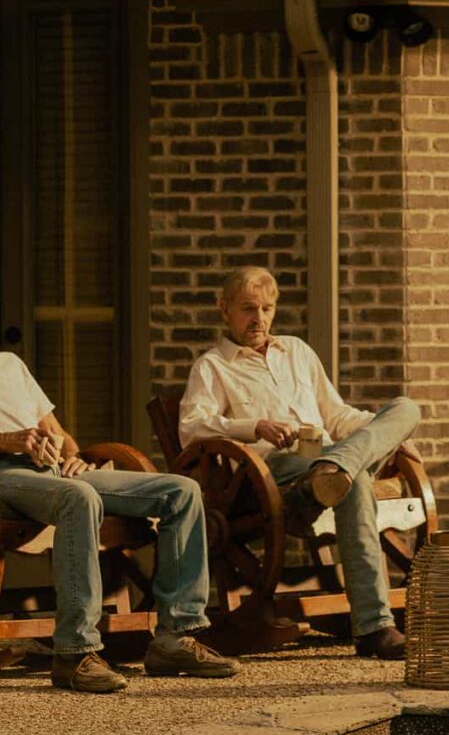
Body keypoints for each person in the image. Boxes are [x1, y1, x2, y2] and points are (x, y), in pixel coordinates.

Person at [0, 262, 235, 694]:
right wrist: (6, 440)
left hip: (49, 472)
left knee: (181, 491)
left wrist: (74, 457)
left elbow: (56, 430)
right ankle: (74, 653)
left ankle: (174, 637)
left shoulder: (9, 365)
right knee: (78, 500)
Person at [177, 266, 422, 660]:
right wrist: (253, 425)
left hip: (325, 456)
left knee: (407, 409)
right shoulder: (212, 367)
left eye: (266, 309)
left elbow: (337, 417)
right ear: (224, 310)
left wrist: (391, 433)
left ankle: (336, 470)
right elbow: (191, 429)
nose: (258, 319)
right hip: (275, 473)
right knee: (354, 479)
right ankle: (374, 627)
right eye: (247, 309)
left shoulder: (298, 352)